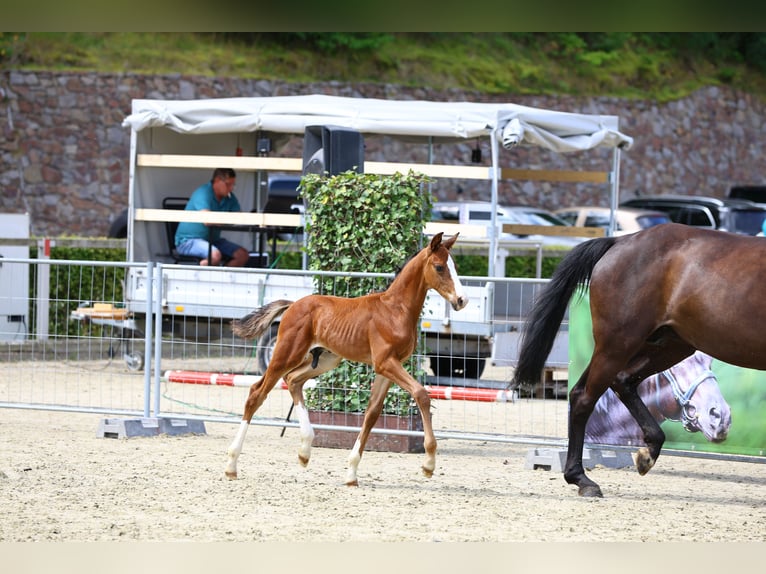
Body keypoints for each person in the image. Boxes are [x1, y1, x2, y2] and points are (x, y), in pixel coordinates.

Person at [174, 168, 250, 267]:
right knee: (215, 255)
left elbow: (239, 217)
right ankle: (198, 277)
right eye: (228, 184)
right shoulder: (203, 193)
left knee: (242, 255)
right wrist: (229, 219)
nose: (231, 188)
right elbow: (208, 220)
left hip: (213, 240)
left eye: (233, 185)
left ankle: (223, 280)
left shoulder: (230, 197)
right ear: (217, 180)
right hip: (188, 241)